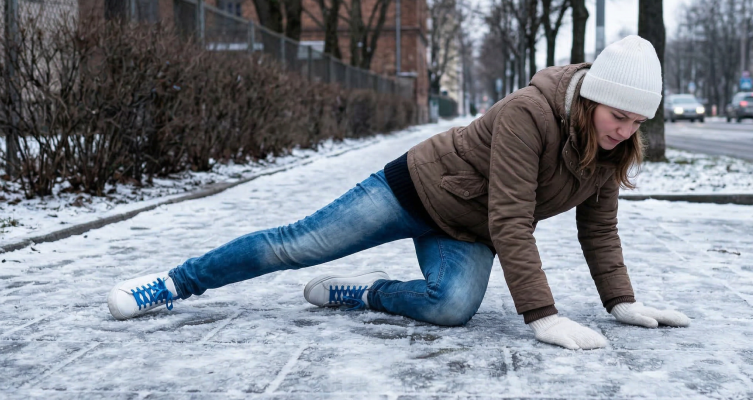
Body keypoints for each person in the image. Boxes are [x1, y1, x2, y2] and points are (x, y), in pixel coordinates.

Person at [106, 35, 690, 350]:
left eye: (638, 123)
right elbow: (512, 219)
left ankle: (359, 295)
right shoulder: (528, 114)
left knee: (452, 307)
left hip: (468, 227)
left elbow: (600, 228)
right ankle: (174, 283)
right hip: (412, 189)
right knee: (296, 245)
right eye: (618, 116)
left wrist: (620, 302)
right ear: (590, 100)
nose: (625, 131)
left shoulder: (610, 149)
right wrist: (542, 316)